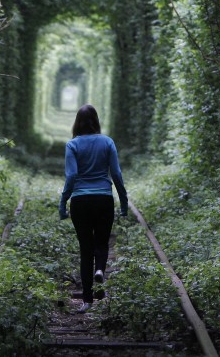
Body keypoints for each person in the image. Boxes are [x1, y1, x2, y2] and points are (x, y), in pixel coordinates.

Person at [58, 104, 128, 314]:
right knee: (102, 243)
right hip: (104, 199)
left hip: (80, 201)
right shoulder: (107, 142)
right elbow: (116, 174)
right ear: (96, 121)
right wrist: (123, 202)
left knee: (85, 249)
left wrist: (63, 202)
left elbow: (71, 176)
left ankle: (87, 300)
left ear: (77, 123)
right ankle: (100, 271)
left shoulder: (72, 145)